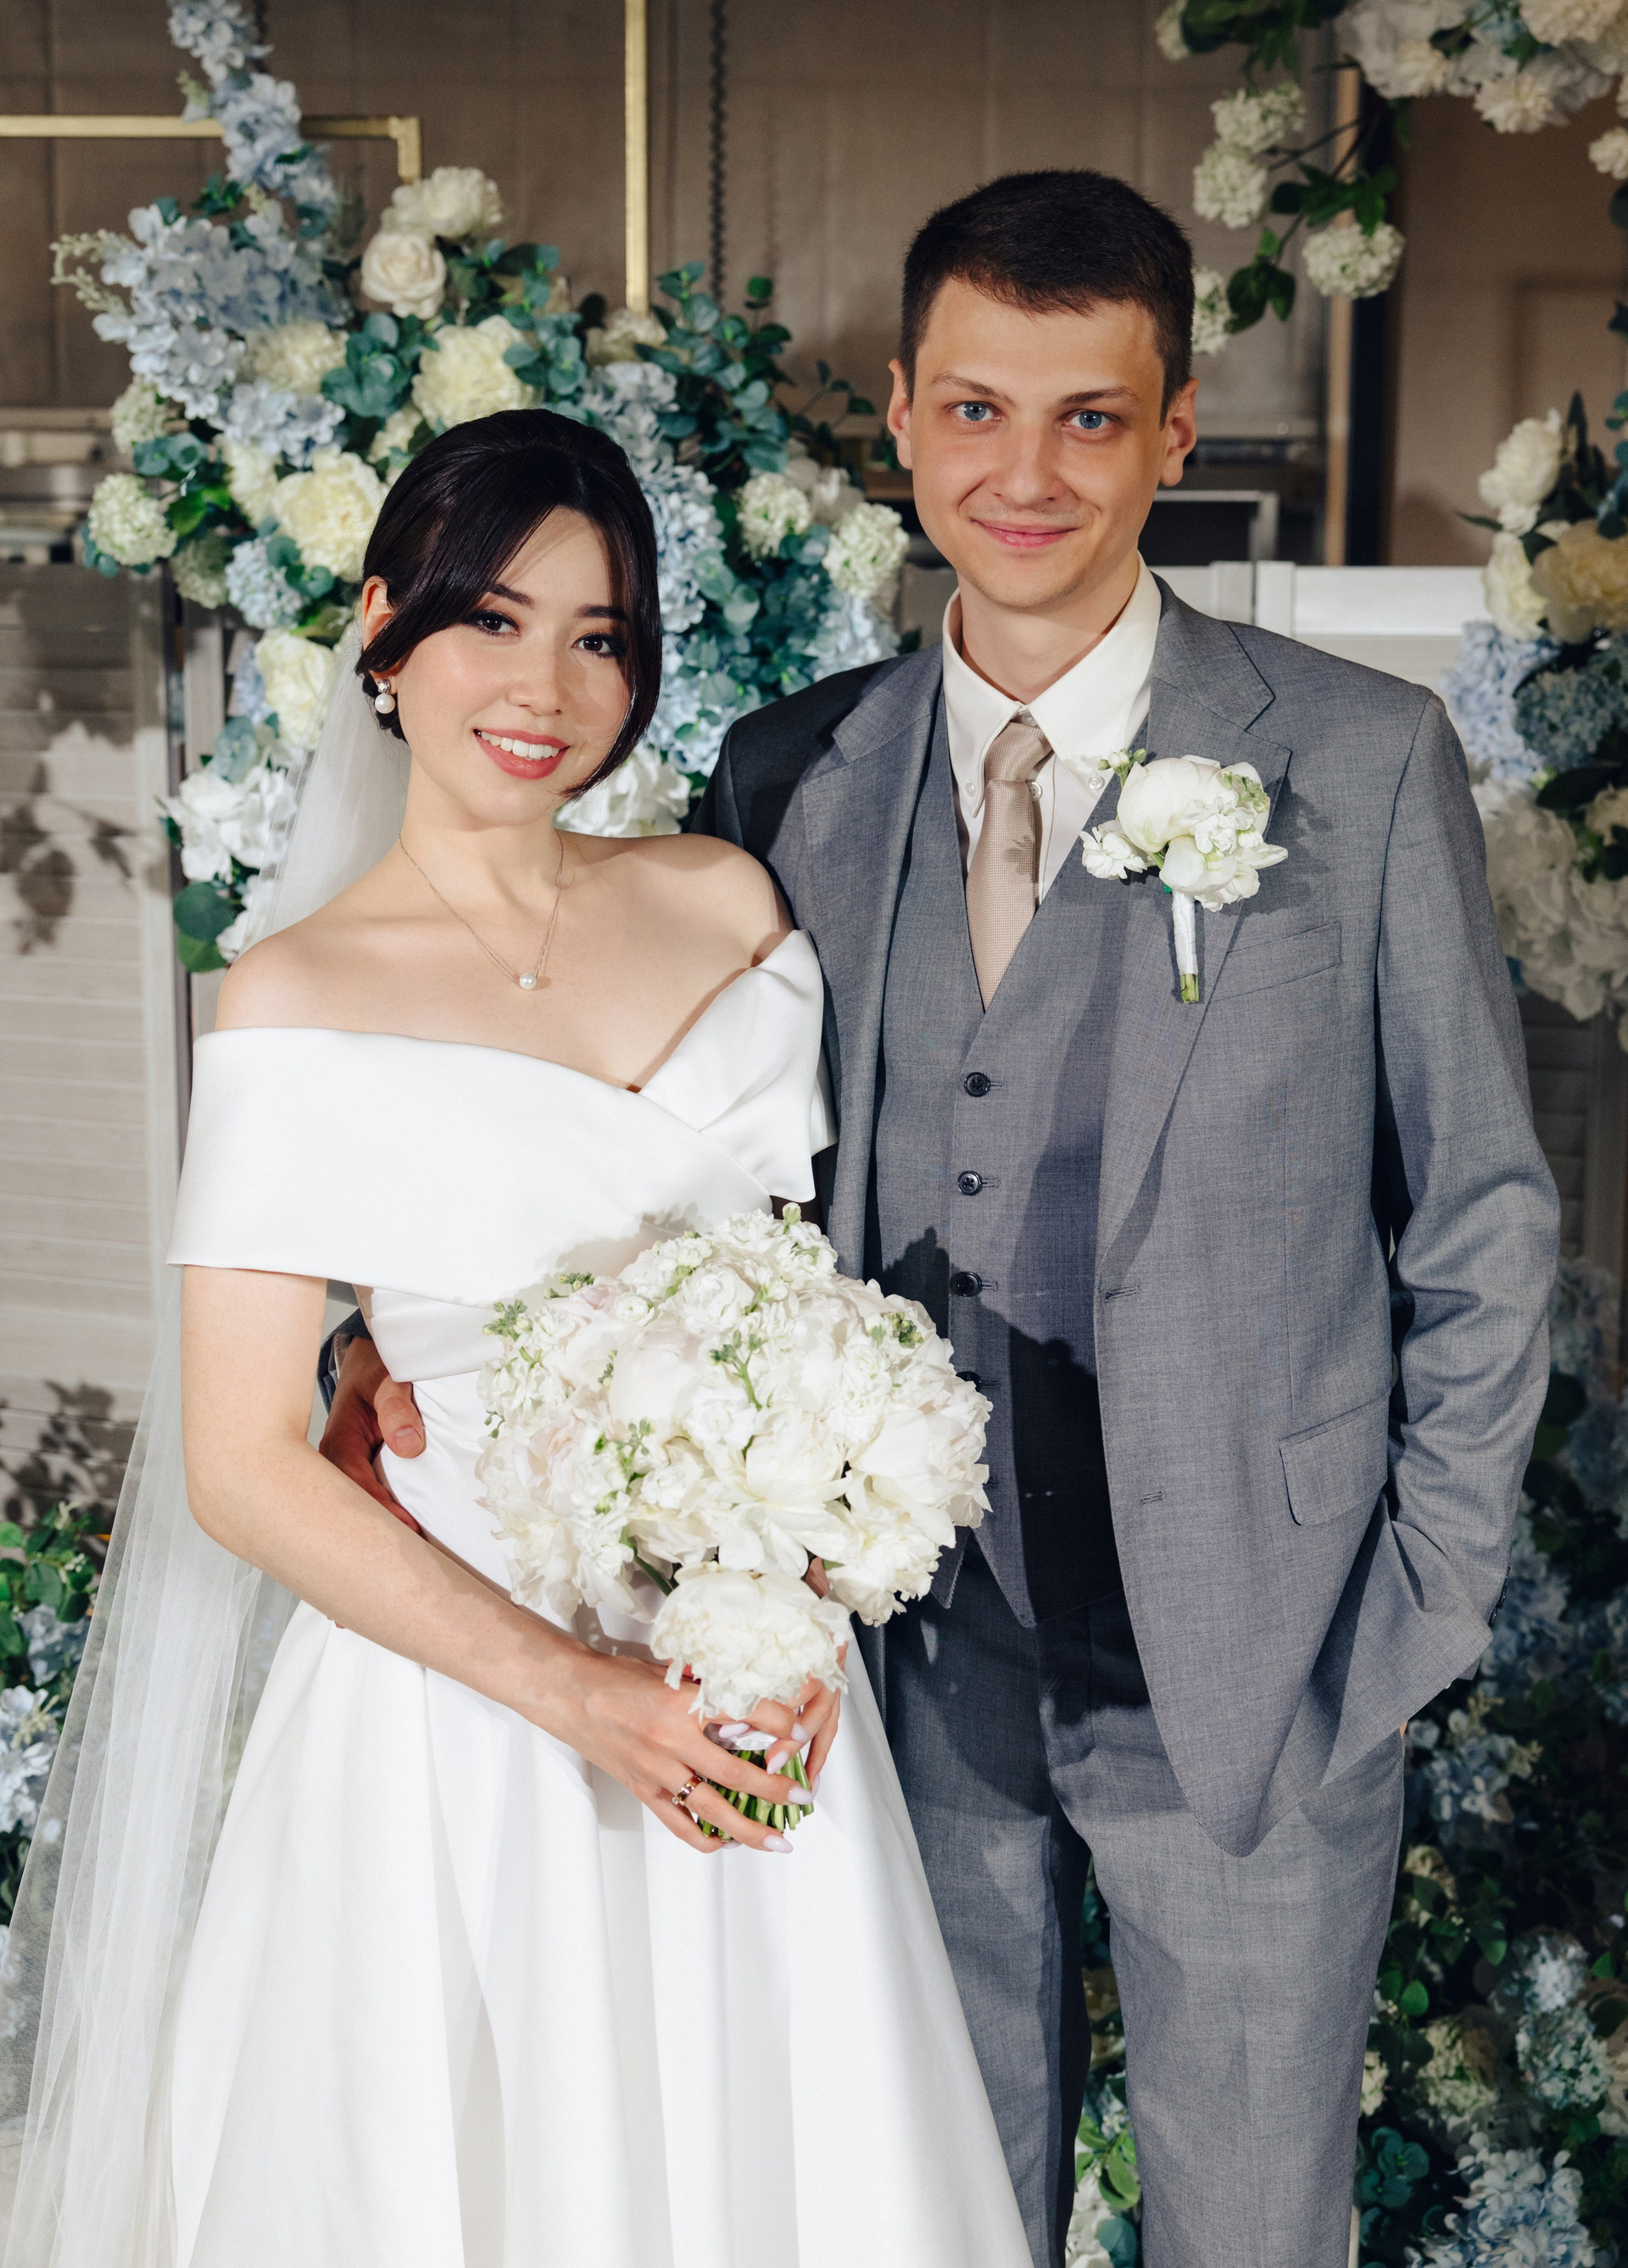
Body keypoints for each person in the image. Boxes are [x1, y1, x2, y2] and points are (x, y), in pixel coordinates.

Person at [334, 171, 1557, 2265]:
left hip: (1265, 1662)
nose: (1026, 473)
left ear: (1176, 433)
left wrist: (1408, 1619)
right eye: (977, 409)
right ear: (901, 416)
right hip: (900, 1678)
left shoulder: (1358, 767)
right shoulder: (791, 774)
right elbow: (653, 1143)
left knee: (1256, 2231)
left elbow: (1480, 1221)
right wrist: (385, 1325)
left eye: (1091, 418)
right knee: (923, 2215)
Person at [0, 412, 1032, 2268]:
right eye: (491, 620)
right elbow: (242, 1469)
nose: (545, 688)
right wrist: (580, 1698)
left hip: (740, 1698)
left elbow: (800, 1334)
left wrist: (801, 1601)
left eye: (599, 636)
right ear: (383, 631)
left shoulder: (723, 906)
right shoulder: (296, 1002)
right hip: (455, 1719)